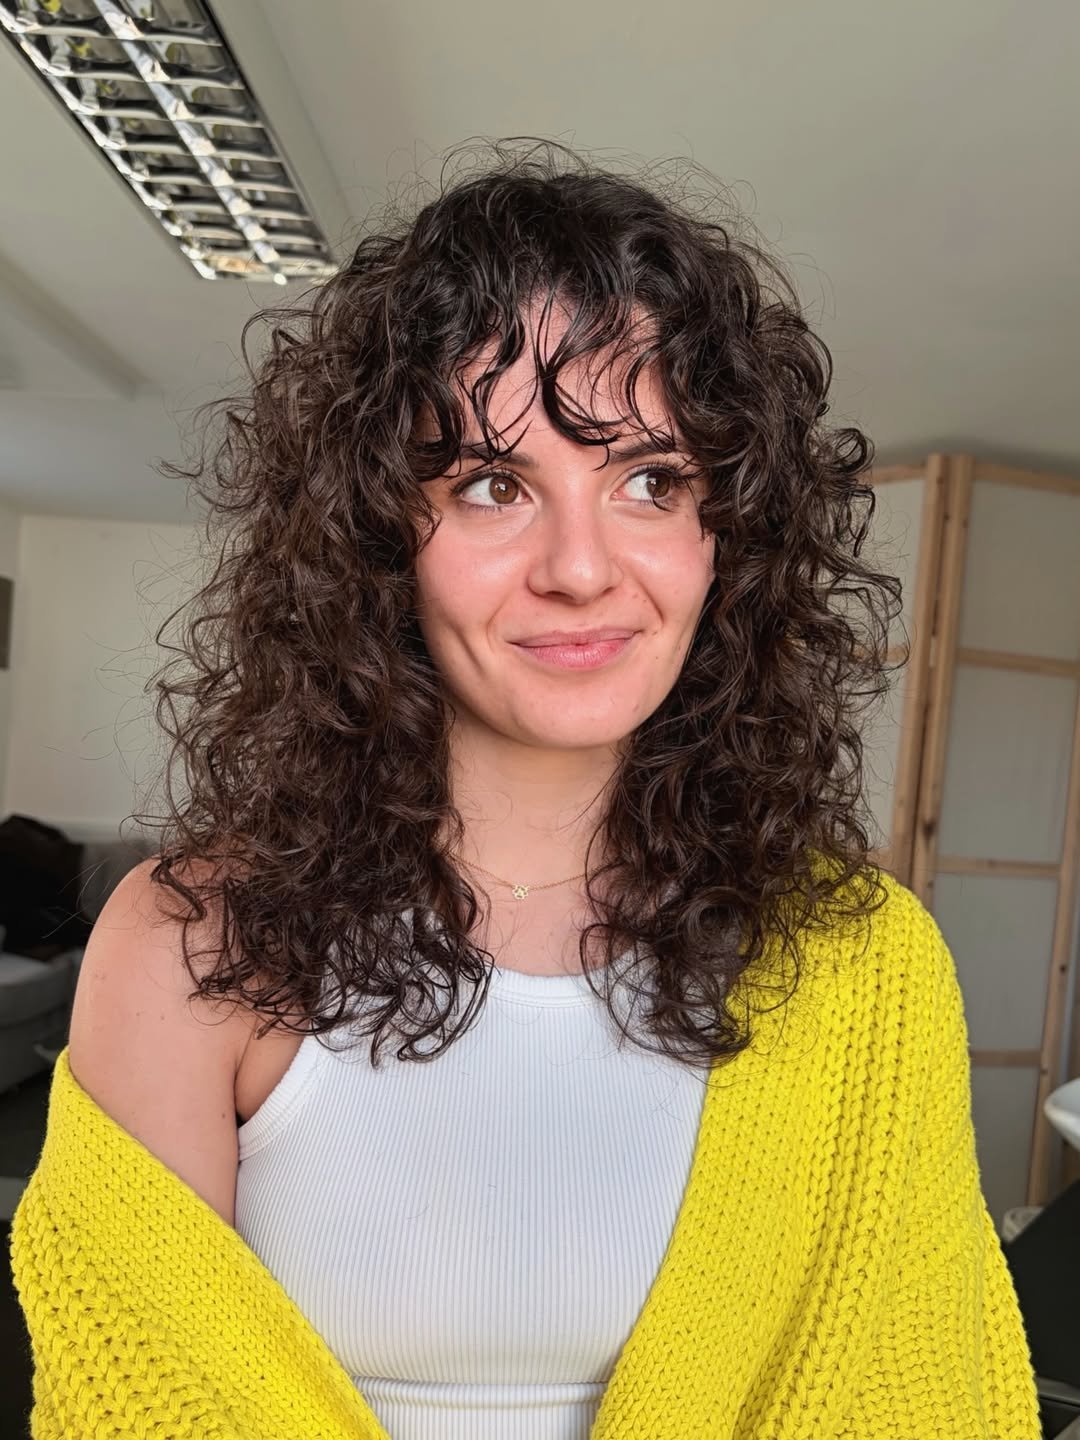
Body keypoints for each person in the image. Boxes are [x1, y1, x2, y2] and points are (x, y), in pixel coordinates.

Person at [10, 138, 1041, 1439]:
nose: (581, 567)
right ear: (377, 535)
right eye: (494, 485)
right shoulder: (191, 944)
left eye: (651, 481)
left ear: (726, 540)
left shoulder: (867, 968)